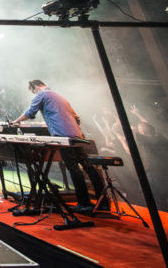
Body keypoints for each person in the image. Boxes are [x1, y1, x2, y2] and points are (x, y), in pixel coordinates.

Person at [11, 79, 107, 214]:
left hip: (63, 136)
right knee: (88, 167)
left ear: (36, 87)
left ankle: (84, 204)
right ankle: (103, 203)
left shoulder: (41, 95)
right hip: (78, 135)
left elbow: (30, 112)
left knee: (74, 169)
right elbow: (77, 118)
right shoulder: (60, 96)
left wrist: (15, 122)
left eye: (33, 91)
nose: (34, 93)